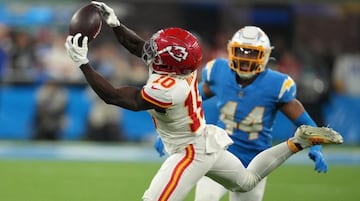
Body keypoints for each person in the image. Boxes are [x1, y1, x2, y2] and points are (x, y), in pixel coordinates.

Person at [65, 2, 343, 200]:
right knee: (246, 183)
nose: (152, 47)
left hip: (189, 151)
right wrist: (115, 24)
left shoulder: (169, 88)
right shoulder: (182, 70)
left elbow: (114, 96)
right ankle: (299, 141)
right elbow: (140, 47)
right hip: (204, 139)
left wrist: (83, 64)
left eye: (158, 49)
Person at [154, 26, 332, 201]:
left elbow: (303, 120)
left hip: (254, 162)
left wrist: (316, 146)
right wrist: (168, 131)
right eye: (240, 51)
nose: (245, 58)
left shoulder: (276, 84)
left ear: (265, 55)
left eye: (252, 53)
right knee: (205, 198)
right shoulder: (219, 72)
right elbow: (189, 100)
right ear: (231, 50)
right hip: (220, 153)